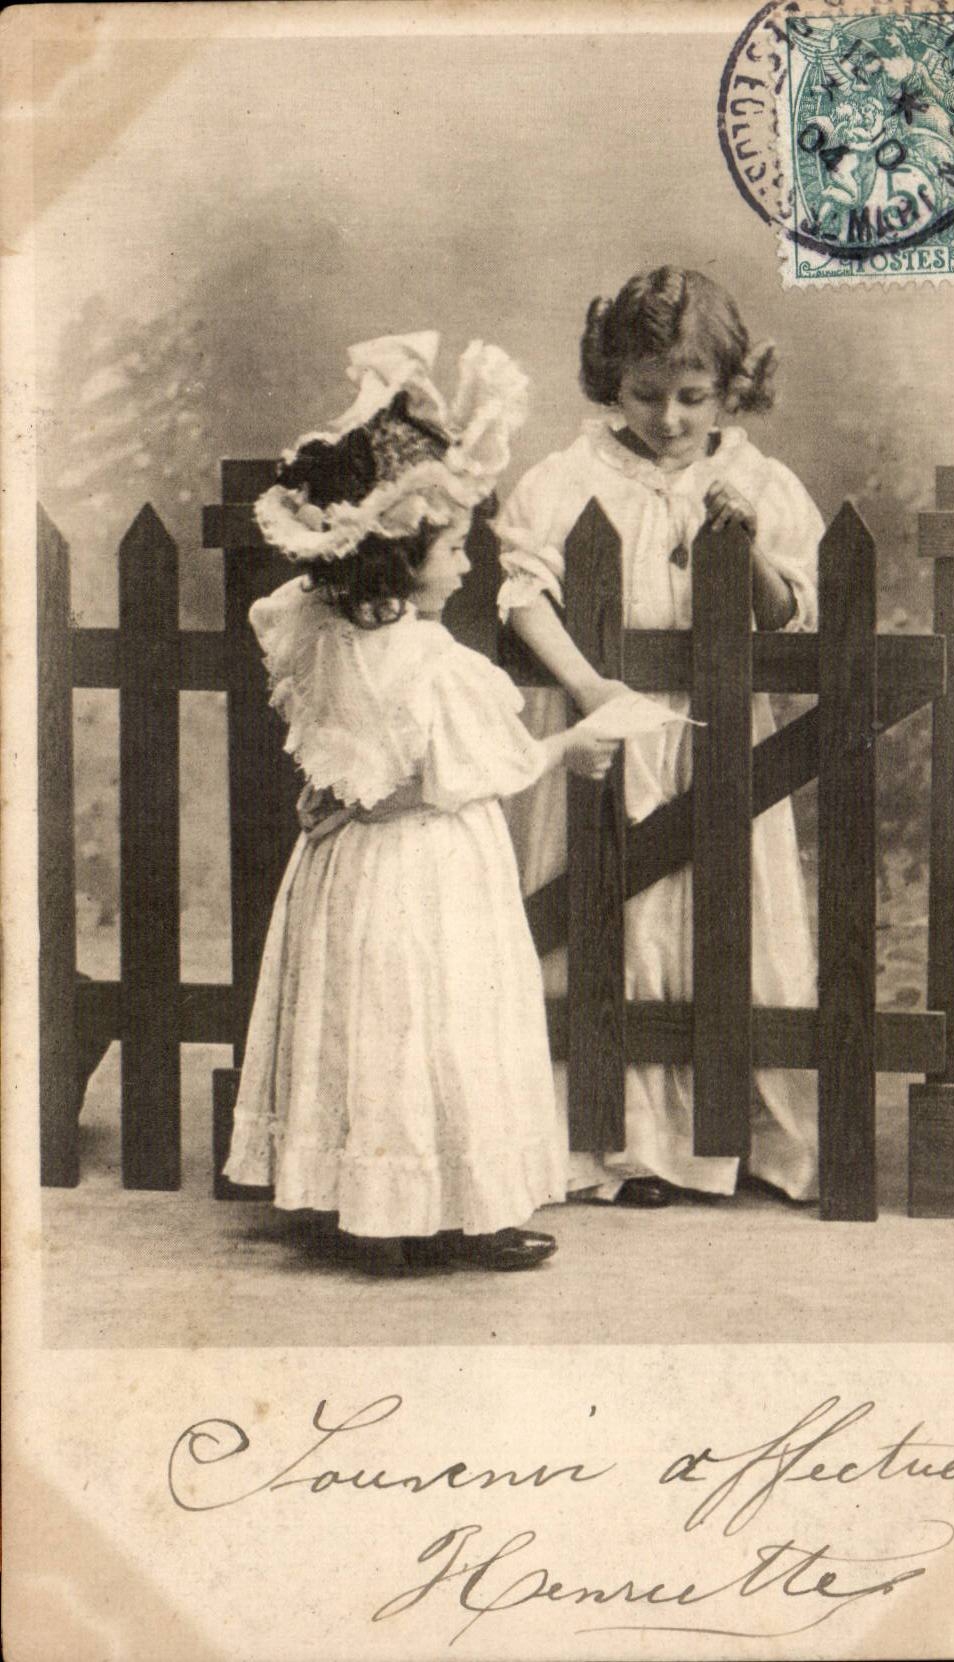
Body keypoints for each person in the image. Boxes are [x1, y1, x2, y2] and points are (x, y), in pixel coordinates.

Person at [223, 332, 618, 1273]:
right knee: (447, 1023)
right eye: (452, 549)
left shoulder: (317, 631)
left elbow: (348, 750)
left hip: (347, 874)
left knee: (366, 1025)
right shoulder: (436, 663)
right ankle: (463, 1211)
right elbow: (470, 770)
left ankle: (374, 1210)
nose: (469, 565)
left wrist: (335, 795)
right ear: (399, 561)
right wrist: (571, 746)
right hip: (433, 874)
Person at [495, 266, 822, 1208]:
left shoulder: (759, 481)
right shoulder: (567, 480)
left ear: (729, 391)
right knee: (604, 918)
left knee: (719, 915)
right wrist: (590, 686)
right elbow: (524, 591)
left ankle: (722, 1141)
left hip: (719, 735)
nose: (670, 419)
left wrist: (746, 550)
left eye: (692, 396)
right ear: (613, 382)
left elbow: (788, 617)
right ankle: (614, 1146)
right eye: (646, 395)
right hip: (601, 729)